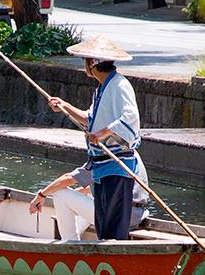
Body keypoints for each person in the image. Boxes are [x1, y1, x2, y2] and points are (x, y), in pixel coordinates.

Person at [45, 35, 142, 240]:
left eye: (86, 62)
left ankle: (112, 259)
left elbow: (130, 117)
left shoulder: (119, 84)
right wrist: (65, 106)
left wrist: (103, 132)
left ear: (93, 63)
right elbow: (91, 120)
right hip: (101, 165)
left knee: (112, 224)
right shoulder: (102, 89)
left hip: (117, 164)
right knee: (103, 222)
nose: (85, 66)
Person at [28, 155, 150, 240]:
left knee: (60, 193)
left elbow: (67, 179)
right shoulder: (132, 155)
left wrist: (41, 195)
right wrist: (78, 193)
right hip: (137, 216)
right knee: (91, 195)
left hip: (116, 218)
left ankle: (70, 244)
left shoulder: (107, 156)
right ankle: (78, 234)